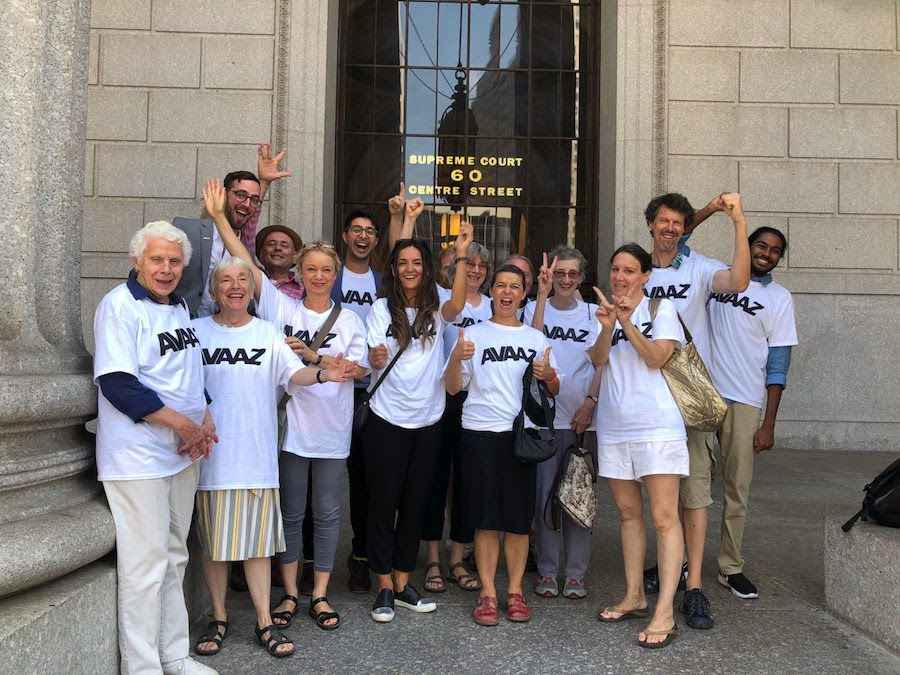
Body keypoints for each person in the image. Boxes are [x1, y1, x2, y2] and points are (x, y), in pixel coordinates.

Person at [202, 180, 368, 634]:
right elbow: (247, 263)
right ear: (300, 270)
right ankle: (291, 592)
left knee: (329, 511)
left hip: (332, 429)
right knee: (292, 512)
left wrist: (315, 356)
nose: (318, 277)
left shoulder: (351, 319)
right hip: (292, 428)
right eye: (310, 269)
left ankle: (320, 593)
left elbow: (355, 369)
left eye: (325, 271)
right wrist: (220, 217)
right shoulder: (281, 307)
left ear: (335, 275)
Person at [191, 256, 355, 659]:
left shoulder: (268, 333)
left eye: (242, 279)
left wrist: (323, 374)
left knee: (258, 546)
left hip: (257, 457)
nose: (235, 286)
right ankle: (219, 617)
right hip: (210, 458)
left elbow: (293, 375)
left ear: (252, 289)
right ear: (214, 291)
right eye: (225, 280)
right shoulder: (195, 333)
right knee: (214, 546)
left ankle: (264, 621)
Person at [93, 221, 218, 674]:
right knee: (144, 566)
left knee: (175, 555)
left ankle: (174, 655)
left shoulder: (179, 305)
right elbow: (118, 384)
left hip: (181, 453)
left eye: (174, 261)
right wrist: (185, 426)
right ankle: (142, 667)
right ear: (137, 261)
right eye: (157, 260)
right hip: (138, 458)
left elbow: (188, 374)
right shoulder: (120, 306)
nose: (166, 269)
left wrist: (203, 420)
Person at [641, 192, 750, 631]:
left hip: (687, 400)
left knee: (695, 496)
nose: (669, 228)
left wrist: (737, 222)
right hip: (647, 399)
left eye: (677, 224)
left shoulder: (699, 268)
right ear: (650, 224)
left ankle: (694, 587)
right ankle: (667, 565)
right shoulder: (638, 269)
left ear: (684, 229)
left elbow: (739, 282)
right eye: (662, 221)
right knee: (659, 500)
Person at [363, 224, 472, 622]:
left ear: (427, 269)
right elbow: (374, 355)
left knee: (415, 505)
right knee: (383, 504)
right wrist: (374, 359)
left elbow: (458, 303)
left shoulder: (437, 305)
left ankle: (404, 580)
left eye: (417, 263)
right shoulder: (379, 310)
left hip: (428, 420)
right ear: (393, 268)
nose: (410, 269)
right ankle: (384, 587)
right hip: (387, 418)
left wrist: (461, 255)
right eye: (402, 262)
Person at [445, 264, 560, 626]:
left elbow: (553, 391)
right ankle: (488, 593)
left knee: (515, 521)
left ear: (523, 293)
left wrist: (549, 376)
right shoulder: (473, 334)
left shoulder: (535, 339)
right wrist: (455, 358)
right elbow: (452, 388)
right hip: (479, 433)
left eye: (515, 286)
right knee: (485, 520)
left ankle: (514, 591)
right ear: (491, 291)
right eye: (501, 285)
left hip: (520, 438)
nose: (507, 292)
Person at [589, 243, 687, 649]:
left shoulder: (660, 310)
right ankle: (634, 595)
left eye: (630, 270)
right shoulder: (606, 314)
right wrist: (609, 325)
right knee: (629, 514)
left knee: (664, 518)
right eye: (615, 269)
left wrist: (627, 323)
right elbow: (597, 359)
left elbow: (656, 358)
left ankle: (665, 609)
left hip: (658, 428)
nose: (620, 277)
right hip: (614, 426)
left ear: (646, 276)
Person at [705, 226, 798, 599]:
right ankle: (677, 562)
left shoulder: (779, 298)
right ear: (746, 246)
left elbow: (778, 365)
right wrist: (718, 212)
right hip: (702, 395)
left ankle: (730, 566)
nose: (767, 253)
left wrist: (769, 424)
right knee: (688, 486)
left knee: (736, 489)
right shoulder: (715, 280)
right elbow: (677, 243)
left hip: (744, 401)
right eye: (760, 245)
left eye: (775, 250)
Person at [525, 246, 601, 600]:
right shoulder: (532, 309)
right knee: (544, 499)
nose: (566, 280)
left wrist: (590, 404)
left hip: (581, 421)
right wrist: (540, 297)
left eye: (572, 274)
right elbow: (532, 344)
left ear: (582, 277)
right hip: (542, 420)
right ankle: (547, 570)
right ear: (550, 277)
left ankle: (576, 574)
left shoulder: (593, 313)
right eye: (560, 274)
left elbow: (603, 363)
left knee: (578, 499)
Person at [421, 243, 493, 594]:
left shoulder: (497, 306)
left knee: (467, 482)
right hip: (442, 398)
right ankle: (433, 557)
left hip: (477, 403)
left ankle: (457, 558)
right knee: (435, 479)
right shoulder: (438, 299)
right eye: (469, 264)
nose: (476, 270)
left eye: (482, 265)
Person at [174, 143, 290, 317]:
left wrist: (264, 181)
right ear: (224, 194)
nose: (247, 204)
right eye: (240, 195)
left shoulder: (245, 247)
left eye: (254, 199)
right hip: (181, 331)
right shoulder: (186, 230)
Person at [331, 209, 383, 593]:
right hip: (328, 389)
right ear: (346, 236)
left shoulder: (383, 282)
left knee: (365, 480)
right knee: (326, 478)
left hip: (371, 391)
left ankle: (362, 556)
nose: (363, 237)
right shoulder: (329, 278)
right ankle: (313, 560)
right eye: (357, 230)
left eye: (370, 232)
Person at [256, 224, 304, 300]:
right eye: (271, 244)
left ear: (295, 257)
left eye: (284, 246)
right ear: (261, 254)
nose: (278, 248)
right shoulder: (250, 281)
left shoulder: (305, 290)